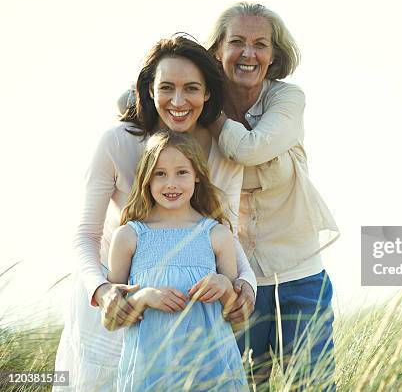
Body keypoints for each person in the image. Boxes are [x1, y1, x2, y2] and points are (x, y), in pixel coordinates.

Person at [54, 36, 256, 391]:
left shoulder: (222, 152)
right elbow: (85, 234)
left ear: (208, 92)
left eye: (191, 88)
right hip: (115, 294)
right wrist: (104, 291)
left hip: (187, 313)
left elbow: (224, 232)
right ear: (149, 90)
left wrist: (245, 285)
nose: (178, 102)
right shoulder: (117, 141)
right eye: (166, 88)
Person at [207, 2, 340, 390]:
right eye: (237, 42)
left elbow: (249, 149)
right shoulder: (194, 98)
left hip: (298, 275)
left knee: (311, 386)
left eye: (260, 44)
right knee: (240, 385)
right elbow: (135, 100)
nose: (248, 54)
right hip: (234, 279)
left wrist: (211, 116)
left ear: (273, 55)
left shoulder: (287, 100)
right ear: (217, 49)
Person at [105, 130, 247, 390]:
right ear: (147, 180)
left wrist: (225, 286)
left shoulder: (216, 234)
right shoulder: (128, 236)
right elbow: (111, 320)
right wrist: (144, 297)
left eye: (181, 172)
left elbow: (237, 317)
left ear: (197, 177)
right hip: (150, 376)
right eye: (160, 173)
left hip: (212, 372)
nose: (171, 183)